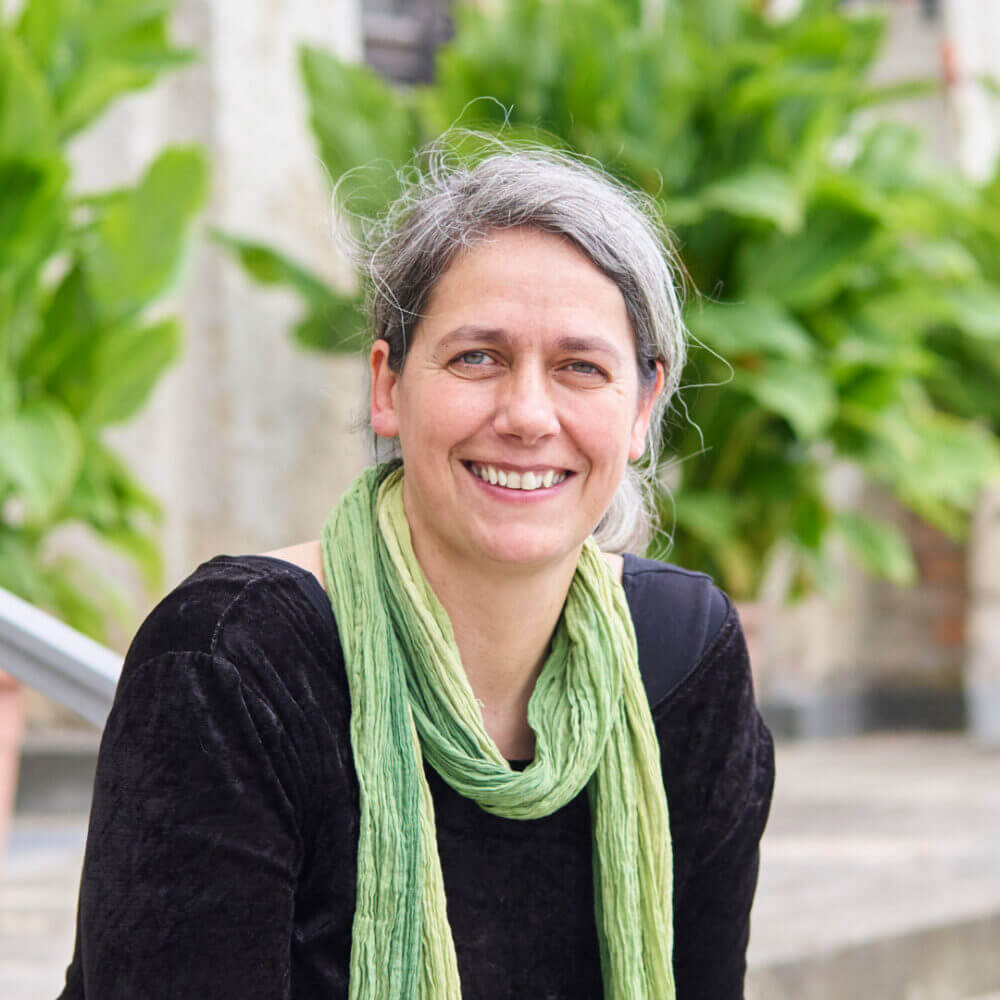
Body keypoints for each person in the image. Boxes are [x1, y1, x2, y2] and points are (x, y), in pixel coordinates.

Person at [57, 137, 775, 999]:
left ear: (643, 408)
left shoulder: (683, 661)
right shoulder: (231, 662)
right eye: (478, 358)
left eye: (580, 367)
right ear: (387, 386)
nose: (527, 414)